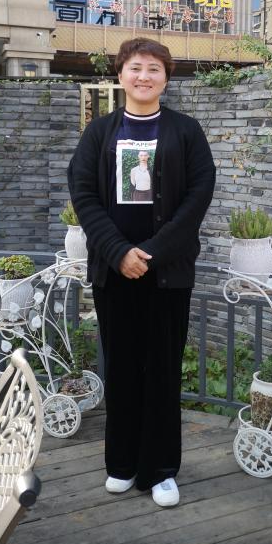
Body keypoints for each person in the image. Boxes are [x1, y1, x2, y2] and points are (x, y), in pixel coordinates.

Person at [67, 37, 215, 508]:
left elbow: (198, 197)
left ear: (166, 78)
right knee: (122, 367)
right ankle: (122, 463)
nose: (144, 76)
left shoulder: (186, 131)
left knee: (162, 370)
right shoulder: (99, 132)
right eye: (135, 67)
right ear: (120, 75)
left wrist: (149, 253)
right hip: (114, 275)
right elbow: (83, 194)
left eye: (154, 68)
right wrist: (118, 252)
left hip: (167, 274)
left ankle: (160, 470)